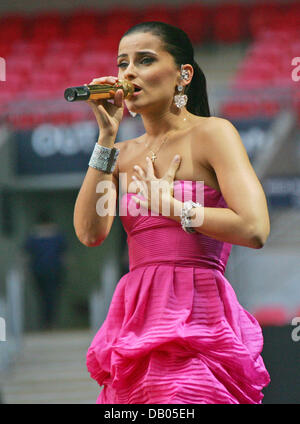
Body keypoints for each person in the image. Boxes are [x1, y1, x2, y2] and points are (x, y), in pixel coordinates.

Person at [73, 21, 271, 404]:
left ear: (183, 74)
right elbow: (89, 233)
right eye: (122, 63)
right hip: (136, 324)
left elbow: (254, 227)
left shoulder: (213, 134)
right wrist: (105, 140)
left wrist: (174, 208)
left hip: (197, 319)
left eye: (144, 60)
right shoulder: (120, 153)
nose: (128, 73)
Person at [23, 210, 67, 330]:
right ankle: (51, 323)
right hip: (53, 269)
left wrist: (26, 270)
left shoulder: (33, 236)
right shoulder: (57, 235)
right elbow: (63, 256)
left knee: (42, 297)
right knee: (52, 296)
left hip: (39, 269)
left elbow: (26, 256)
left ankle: (46, 323)